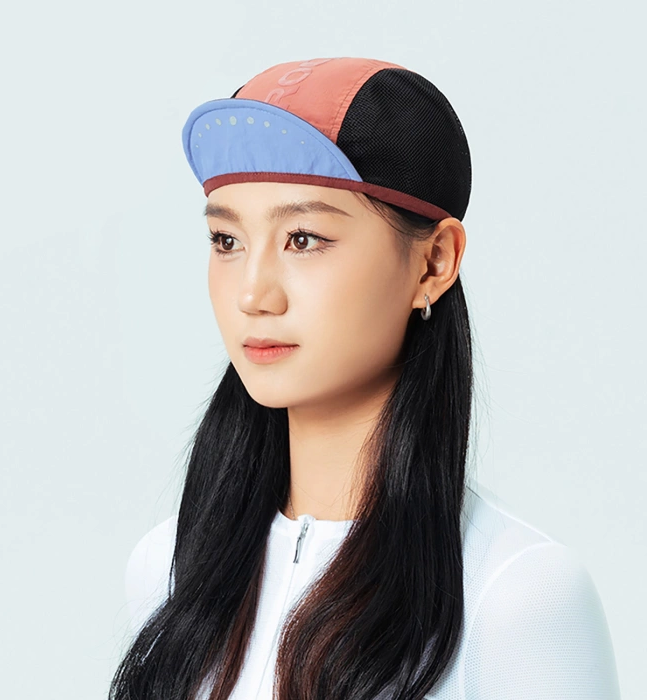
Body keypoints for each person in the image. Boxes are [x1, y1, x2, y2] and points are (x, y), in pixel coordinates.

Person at [109, 58, 620, 700]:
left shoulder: (515, 594)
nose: (253, 295)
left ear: (434, 262)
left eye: (303, 239)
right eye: (226, 240)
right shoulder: (169, 569)